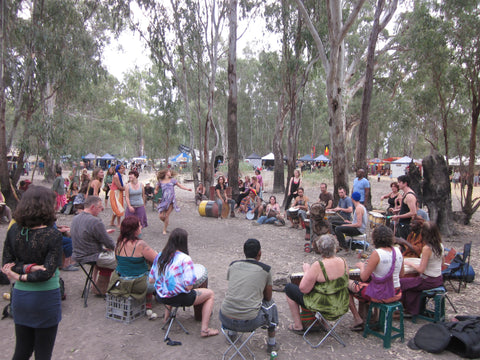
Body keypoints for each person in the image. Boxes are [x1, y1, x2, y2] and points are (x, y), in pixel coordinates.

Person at [2, 186, 63, 359]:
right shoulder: (52, 234)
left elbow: (7, 264)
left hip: (21, 297)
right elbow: (46, 273)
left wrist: (20, 271)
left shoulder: (14, 230)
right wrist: (27, 271)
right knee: (43, 354)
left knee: (21, 351)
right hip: (45, 299)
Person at [149, 228, 218, 337]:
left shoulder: (160, 256)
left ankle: (166, 318)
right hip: (179, 298)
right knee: (210, 294)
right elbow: (189, 287)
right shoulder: (185, 259)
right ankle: (205, 330)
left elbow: (151, 280)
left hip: (160, 296)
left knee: (168, 285)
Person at [219, 238, 278, 353]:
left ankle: (231, 334)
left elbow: (234, 287)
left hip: (225, 318)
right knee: (271, 305)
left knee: (235, 296)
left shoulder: (233, 265)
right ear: (259, 253)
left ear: (244, 252)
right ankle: (272, 343)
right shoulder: (265, 270)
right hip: (249, 322)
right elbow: (268, 298)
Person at [285, 234, 349, 333]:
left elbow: (304, 289)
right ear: (335, 248)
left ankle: (298, 325)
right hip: (341, 305)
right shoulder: (343, 262)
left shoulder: (318, 265)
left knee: (289, 288)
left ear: (320, 249)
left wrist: (307, 271)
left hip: (322, 306)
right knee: (326, 290)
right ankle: (324, 323)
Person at [348, 225, 404, 331]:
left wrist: (361, 266)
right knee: (364, 287)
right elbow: (401, 275)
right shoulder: (398, 251)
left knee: (347, 284)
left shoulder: (377, 253)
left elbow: (364, 277)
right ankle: (372, 317)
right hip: (396, 292)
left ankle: (357, 318)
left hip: (382, 295)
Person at [108, 216, 157, 309]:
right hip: (138, 284)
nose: (141, 227)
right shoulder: (140, 244)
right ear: (134, 230)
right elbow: (157, 260)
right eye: (139, 226)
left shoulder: (119, 243)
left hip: (120, 282)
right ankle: (154, 299)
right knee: (161, 276)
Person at [71, 196, 116, 295]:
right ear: (92, 207)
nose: (101, 210)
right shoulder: (95, 221)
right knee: (124, 259)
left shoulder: (76, 218)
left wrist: (104, 232)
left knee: (107, 251)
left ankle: (96, 285)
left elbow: (86, 234)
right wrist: (121, 250)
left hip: (78, 254)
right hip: (91, 255)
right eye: (99, 207)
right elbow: (108, 242)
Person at [400, 221, 444, 316]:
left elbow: (421, 270)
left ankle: (407, 309)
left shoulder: (427, 248)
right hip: (438, 278)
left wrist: (411, 263)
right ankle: (413, 309)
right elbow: (442, 263)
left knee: (402, 282)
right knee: (410, 283)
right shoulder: (440, 245)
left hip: (428, 280)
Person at [155, 169, 192, 235]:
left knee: (166, 215)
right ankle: (166, 223)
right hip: (164, 200)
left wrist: (187, 189)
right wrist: (155, 191)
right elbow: (156, 189)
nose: (170, 173)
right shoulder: (160, 181)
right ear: (166, 173)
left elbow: (180, 186)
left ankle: (164, 230)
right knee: (161, 216)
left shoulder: (173, 180)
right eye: (169, 172)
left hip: (171, 200)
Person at [391, 175, 417, 239]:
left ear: (405, 183)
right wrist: (398, 210)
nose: (398, 184)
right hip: (402, 223)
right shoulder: (405, 194)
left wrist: (398, 216)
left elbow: (413, 212)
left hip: (407, 225)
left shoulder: (409, 196)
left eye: (399, 182)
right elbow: (406, 208)